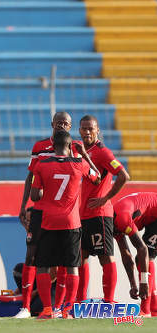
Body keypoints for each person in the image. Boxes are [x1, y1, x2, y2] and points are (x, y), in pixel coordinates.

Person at [16, 112, 99, 319]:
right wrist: (86, 156)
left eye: (66, 123)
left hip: (47, 219)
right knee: (71, 266)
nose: (62, 125)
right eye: (59, 122)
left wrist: (43, 189)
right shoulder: (78, 161)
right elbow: (97, 178)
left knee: (42, 264)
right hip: (71, 220)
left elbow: (35, 194)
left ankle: (47, 309)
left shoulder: (43, 164)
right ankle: (66, 310)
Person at [77, 115, 130, 304]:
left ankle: (109, 301)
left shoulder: (103, 152)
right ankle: (79, 301)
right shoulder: (82, 151)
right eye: (84, 128)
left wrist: (105, 198)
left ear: (98, 130)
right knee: (81, 257)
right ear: (79, 130)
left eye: (91, 128)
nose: (87, 132)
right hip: (83, 214)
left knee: (105, 257)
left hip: (100, 214)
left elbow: (124, 176)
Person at [113, 192, 155, 316]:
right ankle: (154, 308)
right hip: (149, 215)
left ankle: (145, 310)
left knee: (147, 254)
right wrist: (133, 284)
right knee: (141, 259)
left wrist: (143, 283)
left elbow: (142, 249)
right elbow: (126, 256)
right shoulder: (112, 225)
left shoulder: (121, 219)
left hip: (155, 212)